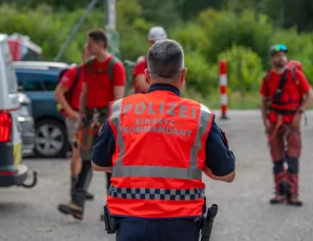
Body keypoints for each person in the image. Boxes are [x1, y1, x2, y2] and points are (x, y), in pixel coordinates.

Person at [92, 39, 235, 241]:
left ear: (147, 76)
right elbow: (227, 173)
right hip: (182, 226)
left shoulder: (121, 110)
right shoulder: (200, 115)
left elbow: (98, 163)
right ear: (183, 75)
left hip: (132, 224)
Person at [58, 29, 126, 220]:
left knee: (109, 165)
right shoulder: (88, 67)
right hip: (89, 119)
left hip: (107, 119)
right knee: (86, 161)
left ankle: (113, 210)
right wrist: (80, 119)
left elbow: (119, 98)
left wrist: (113, 124)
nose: (87, 47)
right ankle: (77, 204)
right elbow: (84, 94)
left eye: (90, 44)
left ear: (100, 44)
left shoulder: (115, 67)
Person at [260, 44, 313, 206]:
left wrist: (300, 113)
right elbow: (263, 102)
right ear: (271, 59)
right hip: (275, 121)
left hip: (292, 121)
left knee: (292, 158)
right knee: (277, 159)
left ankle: (293, 193)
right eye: (277, 55)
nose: (281, 57)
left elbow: (310, 94)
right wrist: (265, 121)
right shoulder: (268, 78)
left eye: (283, 54)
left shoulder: (295, 74)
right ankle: (280, 191)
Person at [55, 45, 95, 207]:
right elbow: (58, 92)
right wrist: (70, 111)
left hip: (88, 117)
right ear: (84, 55)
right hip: (75, 118)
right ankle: (75, 189)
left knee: (86, 154)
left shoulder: (94, 74)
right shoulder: (75, 72)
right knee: (78, 152)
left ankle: (81, 188)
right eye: (89, 54)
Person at [132, 26, 167, 94]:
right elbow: (141, 85)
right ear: (150, 42)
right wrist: (161, 94)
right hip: (145, 101)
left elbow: (180, 83)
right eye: (155, 42)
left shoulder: (172, 61)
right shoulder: (142, 62)